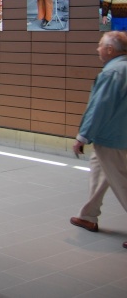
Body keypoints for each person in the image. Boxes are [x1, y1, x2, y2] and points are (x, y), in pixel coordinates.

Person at [69, 31, 127, 250]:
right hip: (121, 134)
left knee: (121, 181)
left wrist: (83, 136)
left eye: (100, 45)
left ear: (110, 50)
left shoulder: (112, 73)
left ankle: (89, 215)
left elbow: (99, 108)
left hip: (111, 137)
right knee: (100, 171)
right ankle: (88, 216)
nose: (98, 49)